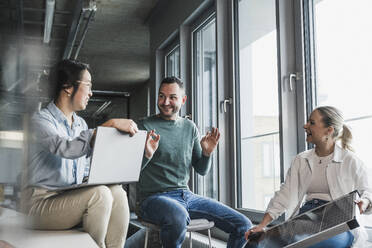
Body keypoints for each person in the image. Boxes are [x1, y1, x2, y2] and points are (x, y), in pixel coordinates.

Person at [20, 59, 143, 248]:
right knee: (100, 194)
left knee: (117, 192)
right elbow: (65, 148)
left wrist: (141, 153)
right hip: (38, 204)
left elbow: (88, 169)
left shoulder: (81, 125)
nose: (91, 93)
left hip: (68, 196)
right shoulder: (41, 121)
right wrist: (104, 128)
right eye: (88, 86)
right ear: (68, 87)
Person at [136, 76, 252, 248]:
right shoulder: (145, 126)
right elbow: (133, 170)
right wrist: (147, 154)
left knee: (244, 225)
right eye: (161, 96)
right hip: (153, 198)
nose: (165, 102)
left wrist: (206, 153)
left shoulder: (189, 127)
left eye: (172, 97)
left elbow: (201, 169)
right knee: (178, 216)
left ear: (183, 100)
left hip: (186, 196)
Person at [245, 106, 372, 248]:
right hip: (306, 218)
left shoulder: (350, 160)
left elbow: (368, 190)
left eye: (312, 123)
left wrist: (365, 201)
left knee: (304, 243)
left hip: (337, 223)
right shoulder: (301, 160)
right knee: (255, 244)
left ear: (328, 131)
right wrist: (262, 225)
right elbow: (284, 194)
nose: (305, 126)